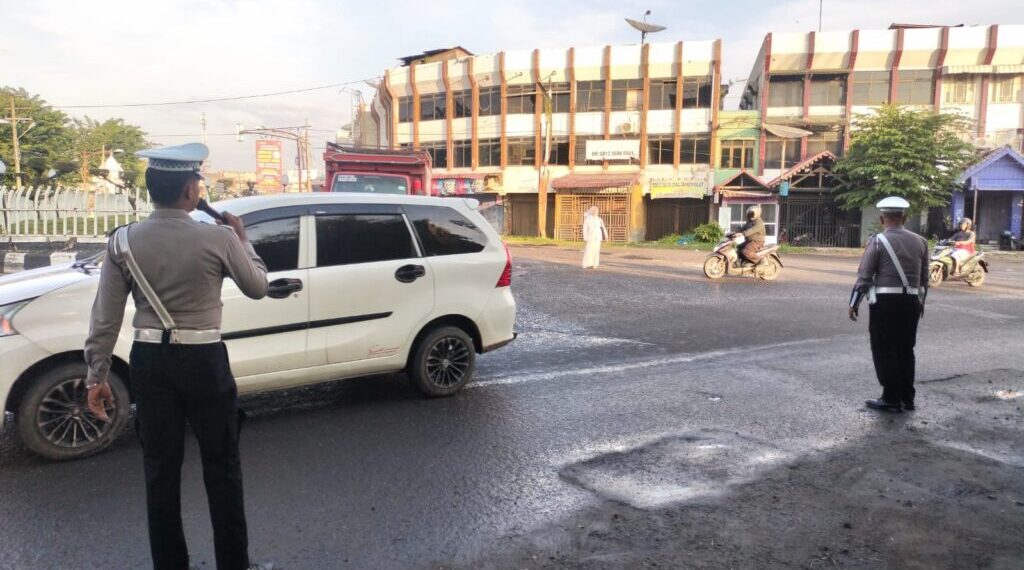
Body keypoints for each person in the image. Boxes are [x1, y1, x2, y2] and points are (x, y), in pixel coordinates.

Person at [83, 143, 273, 570]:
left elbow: (105, 319)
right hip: (205, 361)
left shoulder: (123, 242)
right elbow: (258, 286)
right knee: (222, 467)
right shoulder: (220, 237)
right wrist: (245, 241)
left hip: (150, 363)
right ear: (190, 190)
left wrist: (97, 375)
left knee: (160, 471)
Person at [847, 196, 929, 413]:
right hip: (911, 302)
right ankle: (907, 398)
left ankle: (891, 398)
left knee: (884, 348)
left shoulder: (877, 241)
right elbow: (924, 280)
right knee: (906, 349)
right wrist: (920, 304)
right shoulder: (921, 242)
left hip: (885, 303)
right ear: (906, 217)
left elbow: (864, 276)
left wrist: (853, 303)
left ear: (882, 218)